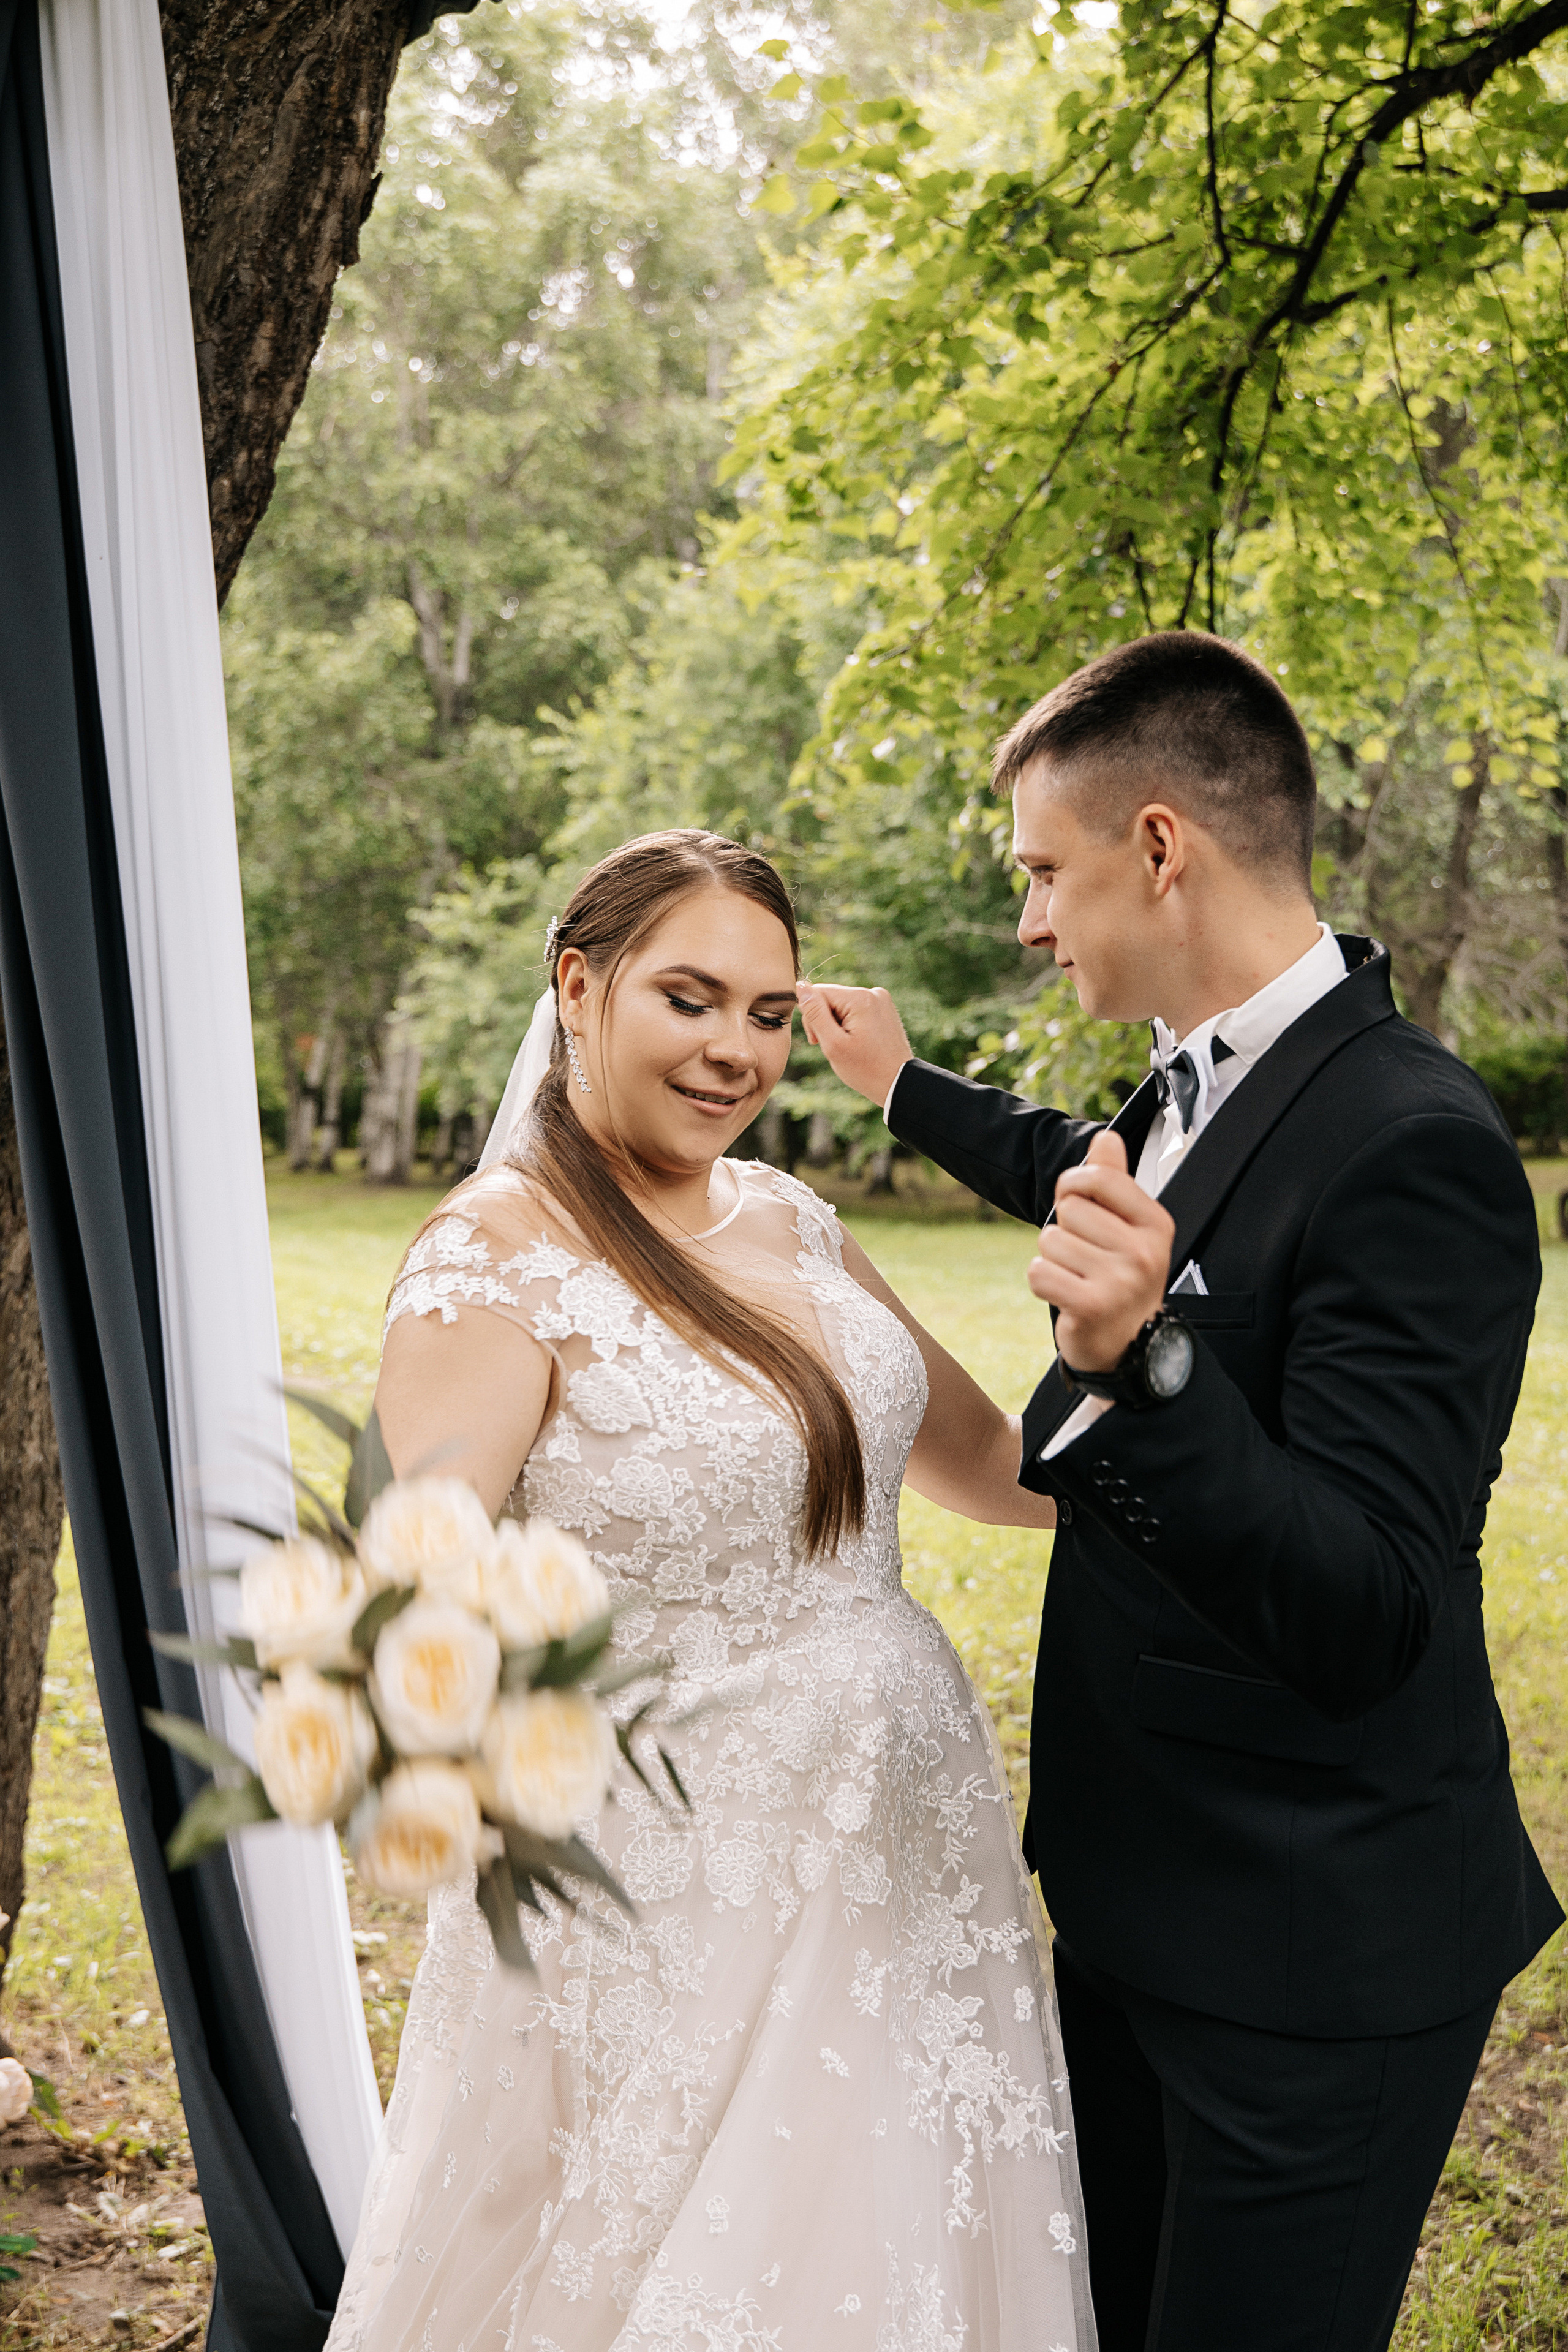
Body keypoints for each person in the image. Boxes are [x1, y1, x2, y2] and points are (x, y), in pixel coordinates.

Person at [796, 629, 1563, 2352]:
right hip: (1148, 1910)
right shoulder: (1203, 1076)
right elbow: (1074, 1163)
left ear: (1161, 847)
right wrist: (900, 1085)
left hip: (1309, 1965)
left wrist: (1147, 1363)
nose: (1028, 921)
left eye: (1044, 872)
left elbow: (1369, 1605)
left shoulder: (1413, 1145)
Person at [326, 830, 1098, 2352]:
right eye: (690, 999)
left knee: (902, 2250)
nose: (734, 1050)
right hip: (675, 1887)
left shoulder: (791, 1222)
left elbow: (1001, 1465)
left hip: (900, 1843)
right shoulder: (497, 1260)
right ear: (577, 985)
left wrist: (1155, 1357)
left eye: (765, 1012)